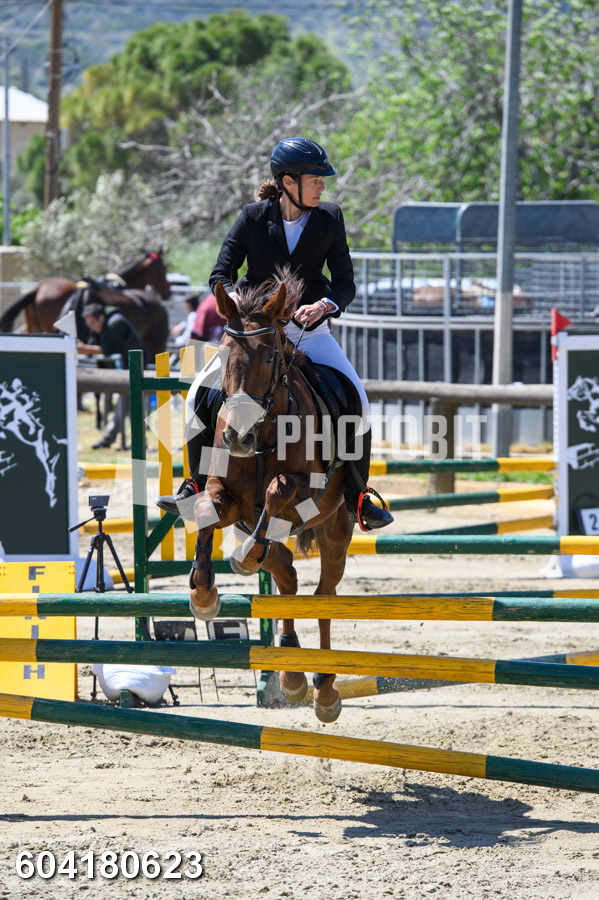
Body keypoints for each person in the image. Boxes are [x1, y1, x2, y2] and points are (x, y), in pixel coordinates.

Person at [157, 136, 393, 530]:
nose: (322, 187)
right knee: (198, 394)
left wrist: (323, 306)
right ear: (288, 182)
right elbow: (221, 272)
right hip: (255, 335)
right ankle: (195, 483)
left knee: (358, 401)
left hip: (306, 332)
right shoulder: (253, 217)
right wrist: (237, 302)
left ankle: (357, 495)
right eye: (315, 179)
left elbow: (345, 283)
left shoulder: (330, 218)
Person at [78, 302, 151, 449]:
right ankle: (112, 438)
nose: (90, 326)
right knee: (126, 406)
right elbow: (94, 343)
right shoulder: (107, 323)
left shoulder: (116, 323)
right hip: (128, 366)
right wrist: (86, 348)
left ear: (101, 318)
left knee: (128, 405)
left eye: (91, 323)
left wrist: (85, 349)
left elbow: (107, 348)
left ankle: (115, 439)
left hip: (137, 366)